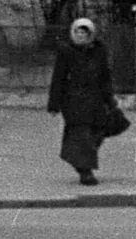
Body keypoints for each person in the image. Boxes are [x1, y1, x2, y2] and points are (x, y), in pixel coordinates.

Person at [48, 13, 125, 185]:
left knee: (97, 133)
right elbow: (58, 77)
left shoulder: (99, 50)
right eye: (78, 33)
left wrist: (110, 99)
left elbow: (105, 76)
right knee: (81, 135)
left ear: (91, 34)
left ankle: (79, 161)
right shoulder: (66, 51)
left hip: (96, 100)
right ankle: (86, 172)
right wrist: (54, 104)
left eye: (84, 33)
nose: (80, 36)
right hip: (73, 101)